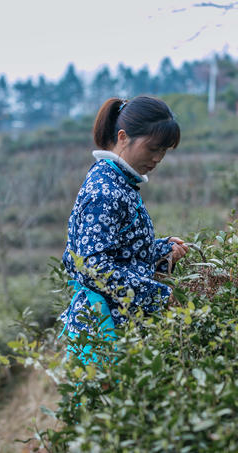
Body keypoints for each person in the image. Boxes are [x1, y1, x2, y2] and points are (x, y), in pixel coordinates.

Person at [59, 95, 188, 363]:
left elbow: (119, 252)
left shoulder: (119, 182)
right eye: (153, 148)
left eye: (163, 151)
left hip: (121, 326)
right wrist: (158, 296)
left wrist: (161, 249)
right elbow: (93, 266)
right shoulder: (105, 190)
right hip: (105, 329)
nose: (158, 158)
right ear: (123, 137)